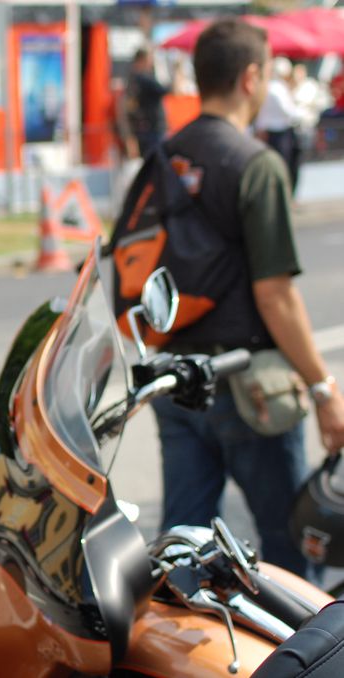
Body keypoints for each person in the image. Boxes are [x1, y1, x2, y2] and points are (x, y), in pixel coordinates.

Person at [150, 19, 344, 579]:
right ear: (252, 77)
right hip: (251, 384)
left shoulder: (163, 157)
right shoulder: (258, 165)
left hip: (178, 379)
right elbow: (276, 295)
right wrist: (324, 390)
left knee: (183, 555)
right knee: (287, 555)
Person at [254, 56, 303, 195]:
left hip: (271, 133)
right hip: (281, 133)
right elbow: (290, 112)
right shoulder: (277, 89)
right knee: (285, 166)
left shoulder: (270, 88)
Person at [122, 47, 171, 158]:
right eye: (150, 59)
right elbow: (164, 89)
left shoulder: (132, 79)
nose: (151, 63)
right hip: (151, 130)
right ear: (142, 60)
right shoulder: (142, 79)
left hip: (143, 130)